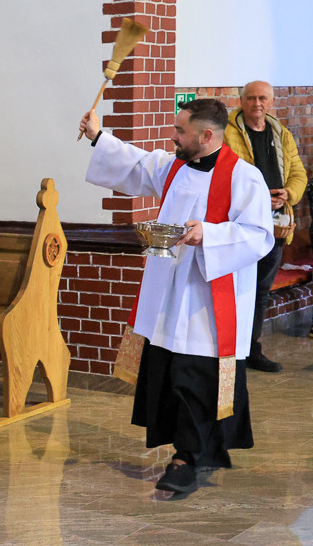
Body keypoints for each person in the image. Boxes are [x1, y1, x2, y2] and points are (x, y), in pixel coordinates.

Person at [79, 98, 274, 494]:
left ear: (206, 135)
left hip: (207, 299)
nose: (173, 136)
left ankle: (187, 458)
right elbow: (135, 163)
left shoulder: (243, 177)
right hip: (169, 294)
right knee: (171, 374)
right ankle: (190, 449)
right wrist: (98, 135)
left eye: (181, 131)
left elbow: (259, 235)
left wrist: (210, 234)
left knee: (195, 379)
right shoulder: (175, 166)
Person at [223, 81, 307, 373]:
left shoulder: (280, 133)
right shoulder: (227, 132)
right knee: (236, 288)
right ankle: (228, 350)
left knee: (260, 291)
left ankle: (249, 349)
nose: (256, 103)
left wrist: (288, 194)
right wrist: (259, 198)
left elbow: (297, 171)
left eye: (262, 98)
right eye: (251, 98)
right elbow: (225, 175)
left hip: (274, 226)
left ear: (271, 102)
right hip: (241, 224)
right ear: (242, 101)